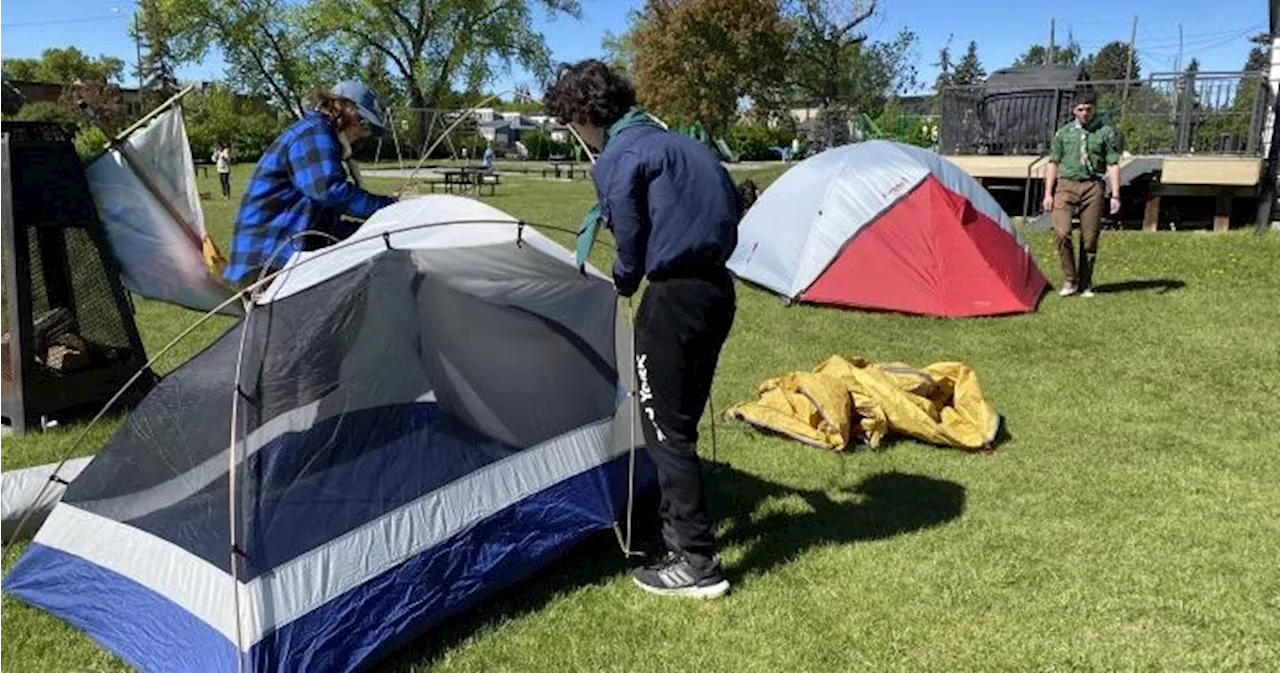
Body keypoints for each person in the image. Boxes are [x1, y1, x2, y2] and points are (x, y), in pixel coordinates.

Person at [544, 59, 739, 600]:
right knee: (681, 418)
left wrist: (625, 279)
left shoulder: (616, 157)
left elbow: (628, 235)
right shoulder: (683, 144)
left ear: (585, 116)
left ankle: (696, 562)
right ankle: (679, 526)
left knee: (663, 427)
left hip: (672, 298)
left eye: (571, 123)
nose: (575, 135)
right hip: (717, 291)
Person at [224, 81, 397, 288]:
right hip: (269, 261)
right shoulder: (315, 133)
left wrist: (372, 232)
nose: (363, 134)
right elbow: (330, 191)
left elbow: (323, 225)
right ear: (345, 111)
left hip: (279, 260)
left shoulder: (318, 137)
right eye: (364, 124)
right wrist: (392, 209)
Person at [1042, 89, 1121, 298]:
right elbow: (1053, 162)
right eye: (1080, 109)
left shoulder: (1105, 133)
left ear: (1094, 109)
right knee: (1062, 233)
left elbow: (1113, 163)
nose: (1084, 113)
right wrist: (1048, 193)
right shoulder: (1064, 133)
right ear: (1073, 110)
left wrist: (1115, 194)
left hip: (1092, 186)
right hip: (1066, 186)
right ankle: (1070, 279)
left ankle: (1086, 282)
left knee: (1089, 238)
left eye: (1088, 109)